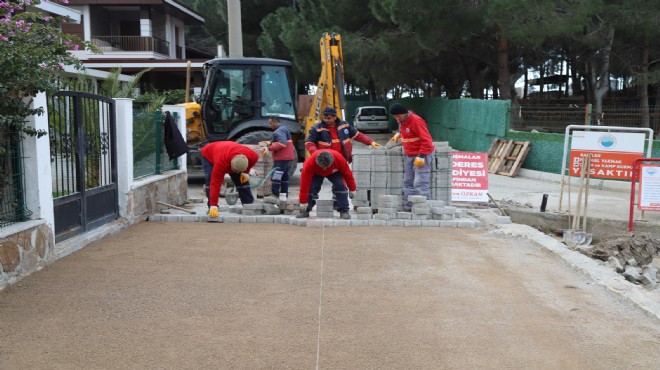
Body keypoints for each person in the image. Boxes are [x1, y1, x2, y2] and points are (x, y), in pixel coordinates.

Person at [388, 103, 435, 211]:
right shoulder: (402, 121)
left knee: (420, 182)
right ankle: (410, 205)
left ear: (405, 113)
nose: (397, 119)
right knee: (408, 181)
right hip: (410, 155)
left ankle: (423, 207)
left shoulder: (416, 121)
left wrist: (422, 156)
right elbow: (407, 132)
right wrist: (399, 134)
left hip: (421, 154)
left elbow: (427, 141)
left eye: (398, 116)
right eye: (395, 117)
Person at [201, 141, 260, 219]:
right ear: (231, 165)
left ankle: (248, 205)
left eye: (239, 171)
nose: (237, 172)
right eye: (235, 171)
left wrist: (245, 172)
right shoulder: (221, 163)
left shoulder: (251, 155)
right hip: (208, 154)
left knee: (241, 181)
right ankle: (212, 208)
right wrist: (213, 205)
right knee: (210, 180)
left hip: (227, 150)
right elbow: (215, 183)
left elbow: (255, 159)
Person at [305, 106, 380, 163]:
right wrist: (317, 155)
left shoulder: (344, 125)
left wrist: (370, 142)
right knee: (317, 182)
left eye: (329, 118)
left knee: (341, 183)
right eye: (324, 118)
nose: (326, 120)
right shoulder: (317, 129)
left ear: (335, 117)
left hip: (342, 160)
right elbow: (309, 143)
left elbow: (357, 135)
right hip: (325, 161)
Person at [297, 150, 357, 220]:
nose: (324, 169)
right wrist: (303, 201)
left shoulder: (339, 159)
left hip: (334, 172)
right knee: (311, 187)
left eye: (326, 167)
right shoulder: (309, 164)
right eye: (322, 167)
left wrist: (352, 189)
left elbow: (348, 175)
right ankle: (305, 211)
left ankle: (344, 210)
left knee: (340, 186)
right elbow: (304, 184)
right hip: (316, 172)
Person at [261, 117, 295, 201]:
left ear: (275, 122)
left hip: (281, 157)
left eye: (271, 123)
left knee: (276, 175)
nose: (270, 125)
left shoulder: (279, 131)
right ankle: (284, 196)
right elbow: (280, 140)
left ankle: (275, 194)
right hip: (285, 157)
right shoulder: (283, 129)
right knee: (284, 176)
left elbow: (282, 143)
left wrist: (268, 148)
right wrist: (269, 142)